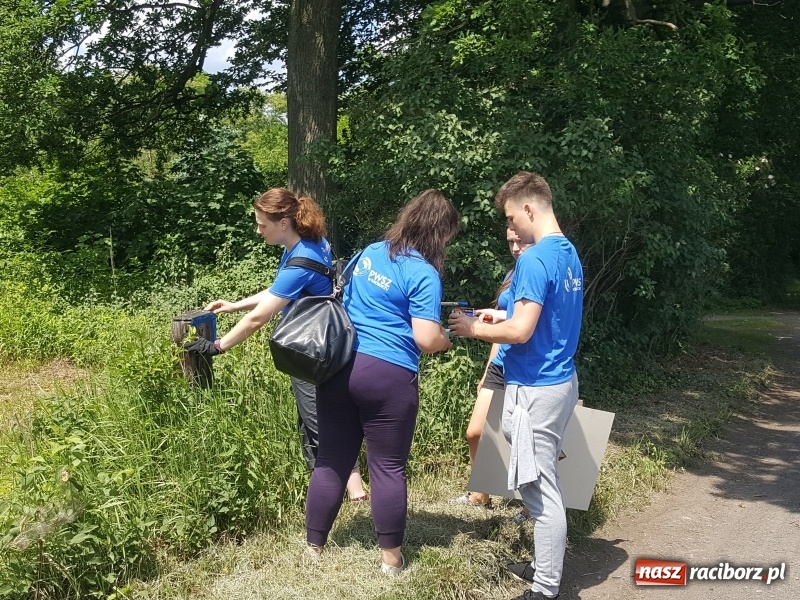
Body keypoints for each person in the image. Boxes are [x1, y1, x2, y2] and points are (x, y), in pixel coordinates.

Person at [304, 189, 458, 575]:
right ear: (440, 235)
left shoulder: (371, 251)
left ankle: (314, 546)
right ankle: (391, 559)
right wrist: (448, 338)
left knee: (331, 460)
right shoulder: (423, 272)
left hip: (340, 366)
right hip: (388, 373)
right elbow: (425, 337)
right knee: (388, 466)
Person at [449, 171, 583, 600]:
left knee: (539, 492)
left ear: (529, 208)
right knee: (545, 485)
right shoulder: (567, 253)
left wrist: (472, 328)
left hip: (536, 388)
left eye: (510, 218)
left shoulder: (534, 258)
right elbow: (540, 317)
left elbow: (522, 331)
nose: (509, 228)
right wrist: (497, 316)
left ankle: (545, 589)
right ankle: (545, 566)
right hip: (561, 379)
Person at [185, 188, 368, 502]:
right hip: (325, 347)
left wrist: (218, 345)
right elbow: (277, 291)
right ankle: (354, 493)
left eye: (262, 225)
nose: (258, 231)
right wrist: (233, 305)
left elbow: (261, 317)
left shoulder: (302, 258)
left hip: (312, 353)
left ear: (284, 222)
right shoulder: (309, 244)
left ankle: (336, 497)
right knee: (321, 421)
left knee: (317, 425)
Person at [452, 228, 532, 509]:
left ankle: (528, 505)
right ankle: (481, 494)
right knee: (475, 432)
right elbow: (501, 329)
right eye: (510, 241)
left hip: (525, 369)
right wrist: (487, 369)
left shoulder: (537, 273)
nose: (514, 247)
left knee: (522, 439)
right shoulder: (511, 276)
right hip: (500, 365)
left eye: (520, 240)